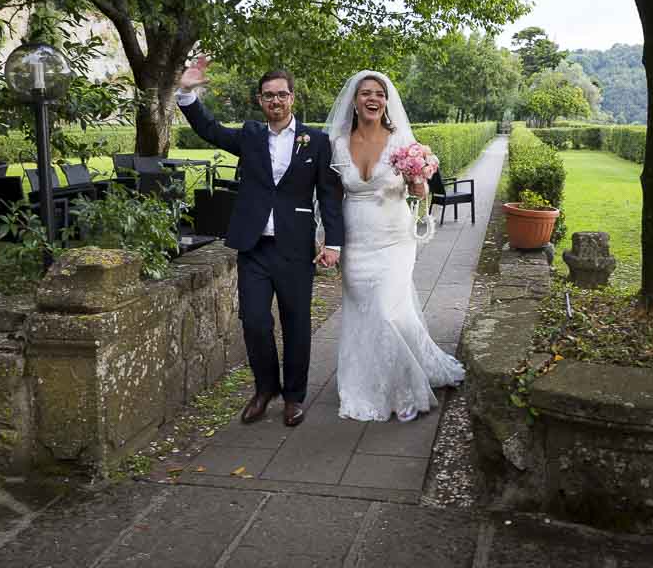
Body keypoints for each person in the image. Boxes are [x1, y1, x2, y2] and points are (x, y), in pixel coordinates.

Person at [176, 57, 344, 428]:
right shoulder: (250, 136)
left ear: (292, 98)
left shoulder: (315, 141)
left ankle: (294, 396)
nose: (275, 101)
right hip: (254, 247)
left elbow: (328, 196)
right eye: (268, 96)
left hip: (295, 247)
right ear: (260, 100)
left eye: (281, 94)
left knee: (297, 323)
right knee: (254, 321)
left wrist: (333, 242)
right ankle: (265, 388)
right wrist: (187, 92)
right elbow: (209, 130)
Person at [325, 71, 465, 422]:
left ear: (386, 102)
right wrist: (328, 239)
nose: (373, 99)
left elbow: (421, 191)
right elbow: (330, 196)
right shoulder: (339, 142)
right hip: (356, 240)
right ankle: (366, 382)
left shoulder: (402, 140)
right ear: (354, 101)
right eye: (365, 93)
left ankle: (403, 387)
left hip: (394, 238)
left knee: (387, 309)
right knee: (366, 313)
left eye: (379, 94)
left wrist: (419, 186)